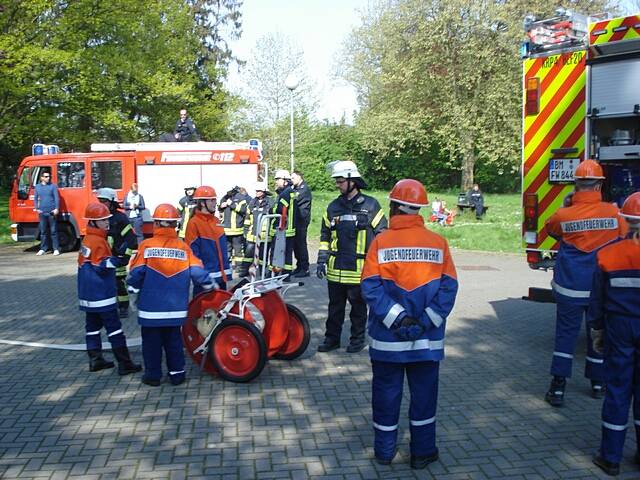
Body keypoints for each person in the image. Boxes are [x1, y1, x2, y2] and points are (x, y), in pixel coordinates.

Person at [361, 179, 458, 469]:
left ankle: (384, 452)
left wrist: (397, 319)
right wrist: (424, 322)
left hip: (387, 341)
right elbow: (449, 289)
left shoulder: (381, 242)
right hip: (426, 342)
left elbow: (370, 287)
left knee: (386, 395)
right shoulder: (438, 243)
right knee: (424, 398)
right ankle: (422, 453)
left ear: (394, 207)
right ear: (418, 209)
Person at [544, 160, 627, 407]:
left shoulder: (563, 214)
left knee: (565, 337)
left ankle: (558, 388)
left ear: (576, 184)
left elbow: (552, 230)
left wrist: (566, 205)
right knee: (597, 335)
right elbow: (622, 235)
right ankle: (598, 384)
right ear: (600, 184)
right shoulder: (613, 213)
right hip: (599, 291)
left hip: (569, 287)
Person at [127, 204, 214, 387]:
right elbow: (199, 274)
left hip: (151, 310)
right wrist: (210, 285)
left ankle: (153, 376)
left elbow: (136, 274)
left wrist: (132, 293)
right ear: (176, 224)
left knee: (152, 345)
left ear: (156, 223)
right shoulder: (183, 248)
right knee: (174, 343)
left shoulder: (146, 246)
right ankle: (177, 375)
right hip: (176, 309)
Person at [589, 192, 639, 477]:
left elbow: (597, 299)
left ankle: (610, 458)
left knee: (619, 390)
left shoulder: (607, 252)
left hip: (618, 326)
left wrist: (597, 330)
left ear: (626, 221)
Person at [316, 160, 387, 353]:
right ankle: (332, 340)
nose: (337, 185)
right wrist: (322, 259)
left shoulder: (371, 205)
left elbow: (382, 234)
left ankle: (357, 340)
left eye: (340, 181)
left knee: (358, 309)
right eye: (336, 181)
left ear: (352, 180)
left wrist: (377, 264)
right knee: (334, 309)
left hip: (359, 270)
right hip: (335, 269)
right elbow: (325, 235)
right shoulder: (332, 207)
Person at [77, 202, 141, 376]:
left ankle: (95, 360)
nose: (107, 223)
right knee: (115, 329)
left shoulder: (87, 240)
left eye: (107, 219)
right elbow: (102, 265)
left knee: (92, 327)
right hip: (101, 295)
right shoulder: (97, 241)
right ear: (93, 222)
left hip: (88, 295)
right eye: (103, 220)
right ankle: (125, 363)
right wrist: (121, 257)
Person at [96, 188, 138, 318]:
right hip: (102, 257)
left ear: (112, 201)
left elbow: (131, 239)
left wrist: (125, 256)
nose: (101, 203)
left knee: (119, 284)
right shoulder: (98, 217)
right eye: (100, 200)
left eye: (104, 201)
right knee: (103, 283)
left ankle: (123, 307)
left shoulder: (120, 218)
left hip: (117, 257)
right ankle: (106, 307)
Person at [185, 186, 231, 294]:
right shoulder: (194, 223)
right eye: (212, 200)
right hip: (205, 281)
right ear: (202, 203)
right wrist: (202, 278)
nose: (215, 203)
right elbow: (193, 255)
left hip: (221, 278)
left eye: (215, 199)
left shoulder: (216, 220)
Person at [241, 182, 274, 278]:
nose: (257, 192)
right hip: (253, 233)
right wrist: (246, 230)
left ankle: (263, 272)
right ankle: (245, 270)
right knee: (248, 254)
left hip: (265, 234)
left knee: (263, 256)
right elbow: (248, 217)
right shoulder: (252, 202)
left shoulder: (270, 202)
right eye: (256, 191)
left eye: (259, 191)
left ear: (264, 191)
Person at [270, 170, 297, 279]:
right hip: (289, 228)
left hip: (283, 227)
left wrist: (272, 209)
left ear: (285, 181)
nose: (276, 182)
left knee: (277, 252)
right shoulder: (290, 192)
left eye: (278, 179)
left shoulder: (285, 193)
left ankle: (274, 273)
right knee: (288, 253)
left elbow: (281, 209)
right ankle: (287, 274)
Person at [218, 186, 250, 276]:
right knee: (226, 249)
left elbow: (243, 210)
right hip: (226, 229)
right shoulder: (225, 197)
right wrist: (221, 206)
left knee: (238, 250)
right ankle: (226, 266)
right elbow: (219, 208)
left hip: (237, 230)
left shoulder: (241, 198)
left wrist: (231, 204)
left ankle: (239, 267)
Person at [291, 171, 312, 277]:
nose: (291, 180)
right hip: (295, 220)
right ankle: (299, 266)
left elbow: (294, 198)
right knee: (296, 245)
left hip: (302, 220)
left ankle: (305, 268)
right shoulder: (295, 188)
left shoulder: (303, 189)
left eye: (293, 178)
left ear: (300, 177)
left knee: (301, 244)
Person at [34, 170, 60, 256]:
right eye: (46, 177)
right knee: (43, 232)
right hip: (42, 212)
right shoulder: (37, 187)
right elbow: (35, 198)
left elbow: (57, 198)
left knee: (53, 231)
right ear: (41, 178)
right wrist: (37, 208)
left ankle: (56, 249)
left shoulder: (53, 186)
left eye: (48, 176)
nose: (48, 178)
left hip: (52, 212)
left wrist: (56, 208)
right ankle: (43, 249)